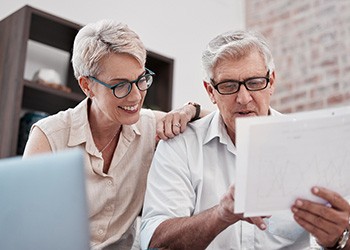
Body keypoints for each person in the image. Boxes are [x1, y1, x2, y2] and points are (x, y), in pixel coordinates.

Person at [140, 30, 350, 249]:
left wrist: (340, 238)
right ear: (210, 91)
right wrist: (221, 214)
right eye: (229, 86)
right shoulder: (179, 145)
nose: (243, 98)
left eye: (255, 82)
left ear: (271, 81)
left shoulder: (312, 145)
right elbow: (156, 243)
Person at [23, 19, 204, 250]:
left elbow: (216, 119)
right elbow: (27, 230)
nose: (136, 96)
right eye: (121, 86)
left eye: (141, 80)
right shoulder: (49, 137)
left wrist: (190, 109)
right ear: (87, 86)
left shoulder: (149, 125)